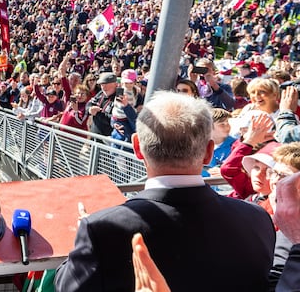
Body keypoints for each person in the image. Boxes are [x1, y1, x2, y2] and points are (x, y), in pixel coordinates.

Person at [54, 91, 275, 292]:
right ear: (208, 152)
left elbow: (67, 287)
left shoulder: (100, 229)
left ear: (138, 147)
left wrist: (82, 233)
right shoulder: (257, 218)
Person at [86, 72, 118, 137]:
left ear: (115, 84)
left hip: (107, 139)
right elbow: (89, 103)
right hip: (94, 136)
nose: (103, 87)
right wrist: (90, 109)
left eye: (106, 84)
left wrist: (98, 114)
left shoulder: (119, 98)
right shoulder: (101, 93)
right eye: (101, 84)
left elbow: (114, 119)